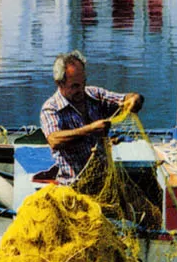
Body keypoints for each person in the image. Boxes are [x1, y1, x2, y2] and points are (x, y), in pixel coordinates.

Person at [39, 51, 143, 184]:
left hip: (105, 178)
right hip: (74, 182)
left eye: (83, 83)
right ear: (60, 83)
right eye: (75, 86)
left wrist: (135, 100)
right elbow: (54, 140)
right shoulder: (51, 108)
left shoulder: (95, 94)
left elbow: (126, 98)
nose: (81, 89)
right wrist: (90, 130)